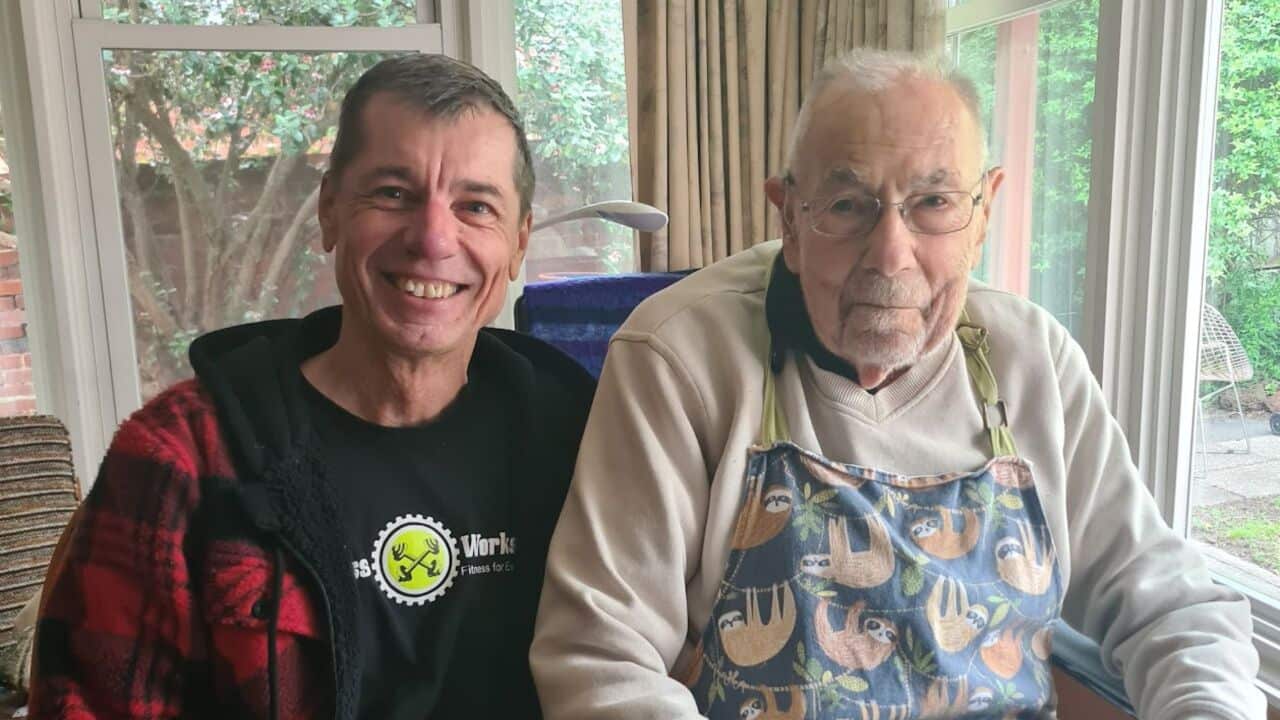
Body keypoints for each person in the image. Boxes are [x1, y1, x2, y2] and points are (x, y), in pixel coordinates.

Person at [530, 49, 1266, 718]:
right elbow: (603, 660)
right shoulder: (679, 356)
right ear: (789, 215)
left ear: (983, 213)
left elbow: (1175, 610)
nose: (890, 255)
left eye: (934, 204)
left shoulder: (1034, 359)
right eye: (848, 206)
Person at [31, 54, 593, 719]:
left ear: (519, 241)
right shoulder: (179, 459)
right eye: (392, 193)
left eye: (475, 206)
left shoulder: (583, 440)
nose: (433, 238)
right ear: (329, 211)